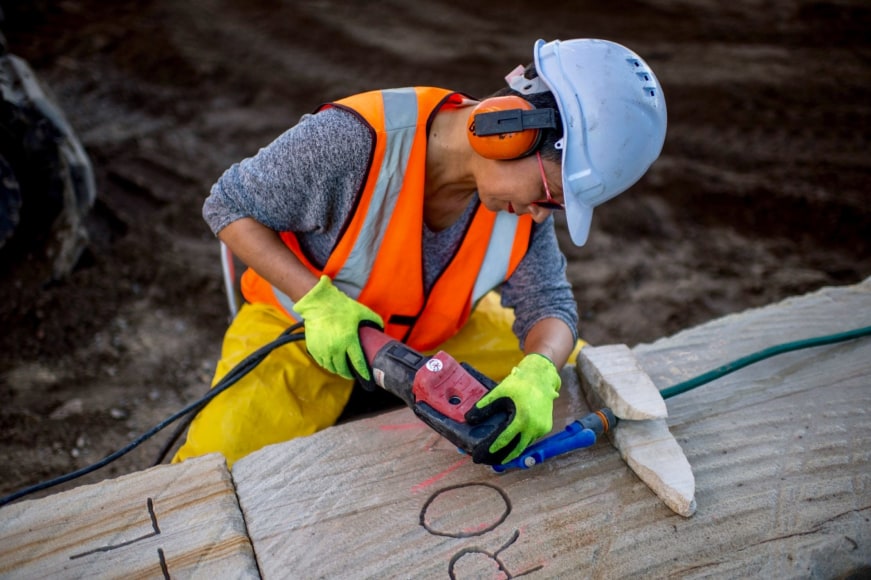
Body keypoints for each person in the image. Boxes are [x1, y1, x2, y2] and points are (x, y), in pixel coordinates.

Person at [172, 38, 667, 468]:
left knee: (579, 372)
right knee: (216, 462)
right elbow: (228, 205)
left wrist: (539, 369)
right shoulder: (354, 141)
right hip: (304, 328)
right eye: (549, 193)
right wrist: (317, 301)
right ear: (508, 130)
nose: (542, 214)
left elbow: (549, 305)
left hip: (439, 331)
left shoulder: (519, 204)